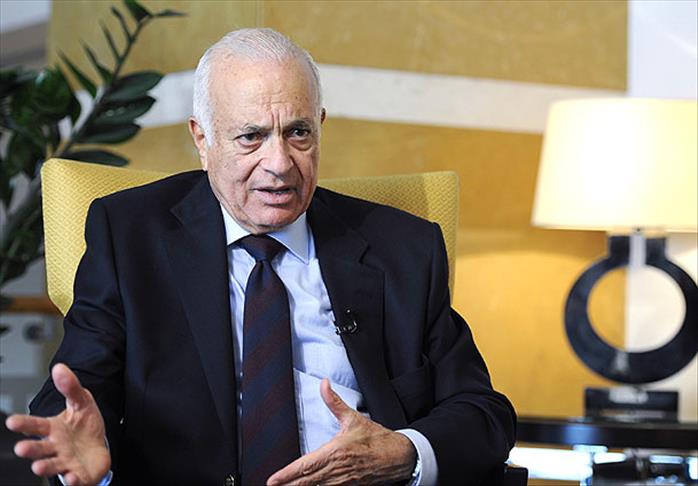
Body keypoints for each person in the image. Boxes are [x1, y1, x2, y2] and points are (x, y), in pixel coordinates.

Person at [6, 28, 516, 486]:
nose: (280, 164)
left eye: (298, 133)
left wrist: (403, 453)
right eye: (251, 137)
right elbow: (75, 397)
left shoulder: (403, 248)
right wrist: (88, 461)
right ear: (202, 139)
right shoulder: (131, 236)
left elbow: (483, 413)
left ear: (320, 126)